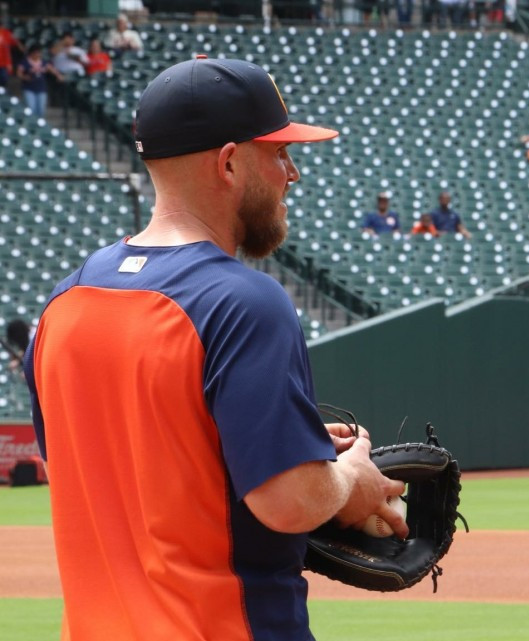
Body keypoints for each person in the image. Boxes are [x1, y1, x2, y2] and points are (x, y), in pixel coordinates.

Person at [24, 56, 408, 639]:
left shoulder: (67, 299)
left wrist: (284, 447)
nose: (292, 172)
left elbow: (113, 470)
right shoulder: (243, 301)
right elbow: (290, 504)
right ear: (229, 163)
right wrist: (347, 476)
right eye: (278, 152)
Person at [17, 44, 63, 117]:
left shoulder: (43, 62)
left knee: (41, 109)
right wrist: (24, 77)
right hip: (29, 88)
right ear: (31, 53)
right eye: (35, 53)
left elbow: (52, 69)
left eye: (39, 53)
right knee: (31, 108)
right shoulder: (25, 62)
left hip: (41, 88)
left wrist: (58, 76)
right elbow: (19, 73)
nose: (37, 55)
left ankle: (39, 125)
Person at [0, 19, 24, 89]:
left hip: (4, 64)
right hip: (5, 64)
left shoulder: (6, 33)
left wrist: (21, 47)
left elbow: (15, 42)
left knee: (4, 81)